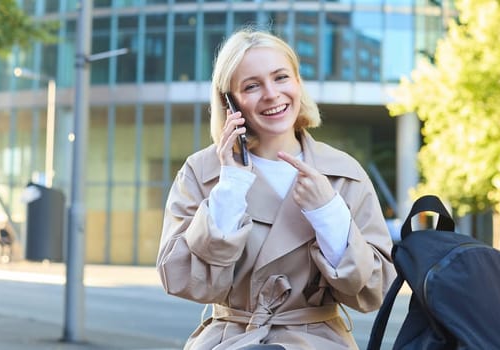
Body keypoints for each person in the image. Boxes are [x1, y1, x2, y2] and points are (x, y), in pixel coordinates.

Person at [156, 27, 396, 350]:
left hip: (317, 340)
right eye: (252, 86)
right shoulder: (202, 173)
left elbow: (374, 290)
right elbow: (180, 277)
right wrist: (231, 187)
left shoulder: (343, 174)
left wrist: (328, 212)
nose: (271, 94)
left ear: (298, 83)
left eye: (281, 77)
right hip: (231, 339)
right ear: (230, 102)